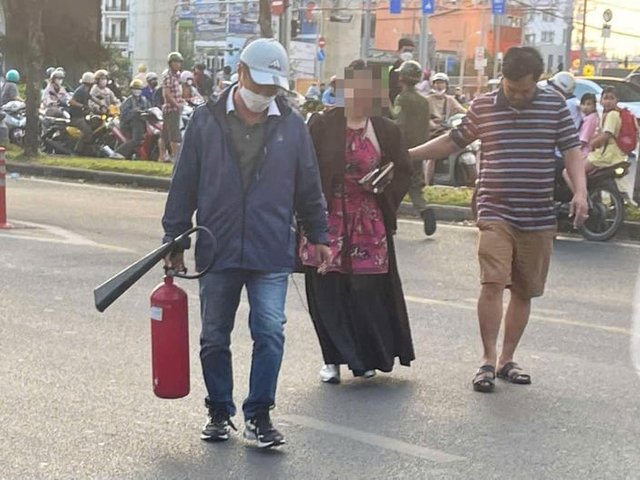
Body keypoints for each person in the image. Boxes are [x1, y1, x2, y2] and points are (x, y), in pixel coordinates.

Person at [162, 38, 330, 448]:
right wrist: (175, 240)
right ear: (240, 73)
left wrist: (319, 235)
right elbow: (184, 184)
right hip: (217, 248)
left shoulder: (292, 125)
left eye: (273, 87)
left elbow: (309, 185)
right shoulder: (205, 121)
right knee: (214, 336)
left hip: (270, 248)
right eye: (260, 84)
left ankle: (259, 414)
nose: (265, 94)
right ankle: (219, 410)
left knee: (270, 332)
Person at [408, 46, 588, 393]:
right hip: (495, 209)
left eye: (524, 90)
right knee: (492, 282)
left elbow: (571, 151)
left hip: (537, 214)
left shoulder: (554, 106)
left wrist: (580, 191)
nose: (517, 96)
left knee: (523, 290)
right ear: (502, 77)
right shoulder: (484, 105)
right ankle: (487, 360)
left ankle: (507, 359)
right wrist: (410, 155)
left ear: (538, 80)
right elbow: (453, 141)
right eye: (511, 88)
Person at [301, 59, 414, 384]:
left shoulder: (385, 129)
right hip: (327, 220)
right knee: (327, 291)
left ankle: (364, 357)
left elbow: (403, 169)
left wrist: (383, 186)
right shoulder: (321, 125)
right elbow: (304, 169)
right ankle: (332, 359)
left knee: (367, 291)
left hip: (368, 220)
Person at [391, 60, 435, 236]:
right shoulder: (424, 101)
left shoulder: (401, 98)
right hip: (419, 148)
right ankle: (424, 210)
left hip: (402, 148)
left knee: (393, 184)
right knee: (415, 184)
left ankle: (390, 222)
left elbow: (398, 121)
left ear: (402, 77)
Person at [423, 72, 466, 187]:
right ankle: (427, 183)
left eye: (442, 83)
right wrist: (432, 124)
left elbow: (462, 111)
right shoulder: (427, 100)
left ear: (446, 85)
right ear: (433, 85)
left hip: (447, 131)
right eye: (437, 83)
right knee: (432, 157)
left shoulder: (450, 100)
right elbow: (423, 117)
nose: (439, 85)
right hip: (432, 133)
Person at [584, 86, 628, 174]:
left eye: (611, 98)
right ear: (601, 101)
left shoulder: (612, 115)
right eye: (605, 98)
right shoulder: (607, 114)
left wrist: (592, 143)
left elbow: (606, 134)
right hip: (609, 154)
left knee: (571, 173)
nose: (608, 101)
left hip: (606, 155)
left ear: (617, 100)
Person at [160, 52, 185, 163]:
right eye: (176, 62)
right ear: (171, 63)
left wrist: (182, 101)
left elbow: (178, 91)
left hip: (176, 107)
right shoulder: (168, 76)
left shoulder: (178, 76)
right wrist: (176, 104)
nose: (178, 64)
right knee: (174, 135)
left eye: (179, 62)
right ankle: (175, 157)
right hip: (171, 109)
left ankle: (163, 157)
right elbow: (166, 93)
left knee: (164, 134)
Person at [116, 79, 150, 159]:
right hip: (130, 124)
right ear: (131, 90)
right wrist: (134, 112)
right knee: (137, 139)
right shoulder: (128, 101)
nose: (137, 91)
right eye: (135, 89)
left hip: (142, 122)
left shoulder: (144, 100)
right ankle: (118, 152)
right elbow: (124, 116)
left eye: (139, 89)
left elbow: (149, 108)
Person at [68, 72, 96, 155]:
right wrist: (82, 106)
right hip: (76, 117)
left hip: (83, 116)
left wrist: (102, 104)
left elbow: (92, 98)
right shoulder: (80, 90)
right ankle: (77, 150)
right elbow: (71, 102)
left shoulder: (86, 90)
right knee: (87, 131)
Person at [388, 38, 415, 104]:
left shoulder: (414, 70)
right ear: (398, 52)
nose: (408, 54)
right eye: (405, 50)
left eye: (411, 51)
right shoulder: (392, 69)